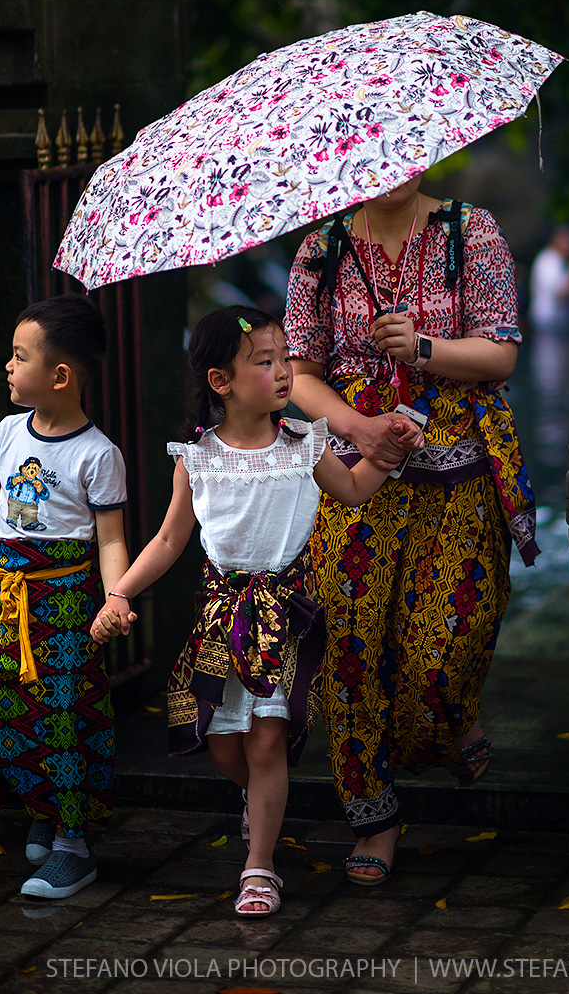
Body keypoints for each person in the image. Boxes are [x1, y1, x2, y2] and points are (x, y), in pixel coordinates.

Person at [91, 305, 422, 918]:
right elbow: (168, 541)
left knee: (267, 740)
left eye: (285, 359)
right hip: (220, 614)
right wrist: (119, 594)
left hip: (285, 614)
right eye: (264, 362)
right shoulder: (199, 458)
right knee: (225, 743)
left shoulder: (303, 442)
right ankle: (259, 805)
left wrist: (387, 451)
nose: (283, 373)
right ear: (221, 382)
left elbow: (352, 490)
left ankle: (259, 867)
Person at [285, 174, 536, 886]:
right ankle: (376, 817)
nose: (393, 170)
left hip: (458, 476)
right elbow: (300, 375)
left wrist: (424, 347)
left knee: (445, 646)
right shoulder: (321, 250)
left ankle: (451, 712)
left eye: (407, 154)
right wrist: (357, 425)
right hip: (354, 476)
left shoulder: (470, 231)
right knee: (352, 647)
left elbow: (502, 352)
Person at [0, 292, 128, 899]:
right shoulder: (5, 432)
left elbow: (108, 540)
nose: (8, 366)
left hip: (65, 603)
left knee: (62, 718)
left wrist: (114, 597)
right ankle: (43, 808)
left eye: (19, 357)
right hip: (3, 596)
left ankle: (73, 845)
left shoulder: (98, 454)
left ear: (60, 376)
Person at [529, 226, 569, 333]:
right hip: (551, 322)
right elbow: (561, 293)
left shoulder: (560, 260)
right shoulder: (549, 260)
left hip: (558, 322)